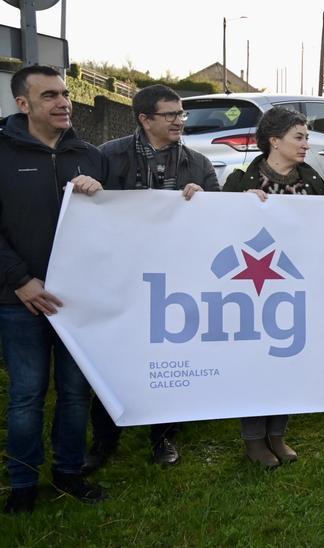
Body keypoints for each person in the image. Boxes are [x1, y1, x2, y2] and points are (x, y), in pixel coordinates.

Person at [86, 84, 220, 471]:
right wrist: (88, 188)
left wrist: (205, 200)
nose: (180, 121)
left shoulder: (198, 163)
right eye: (171, 115)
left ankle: (163, 438)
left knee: (167, 358)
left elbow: (218, 218)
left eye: (181, 114)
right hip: (121, 277)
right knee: (113, 357)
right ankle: (105, 439)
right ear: (144, 119)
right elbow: (86, 212)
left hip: (174, 280)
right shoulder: (108, 156)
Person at [0, 65, 109, 514]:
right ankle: (22, 483)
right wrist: (21, 280)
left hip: (76, 302)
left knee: (75, 393)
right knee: (26, 395)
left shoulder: (89, 154)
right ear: (22, 104)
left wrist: (100, 194)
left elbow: (117, 223)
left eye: (65, 93)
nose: (63, 102)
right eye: (49, 96)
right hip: (17, 301)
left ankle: (69, 472)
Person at [222, 106, 324, 467]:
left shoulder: (313, 181)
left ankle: (277, 435)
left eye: (307, 137)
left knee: (287, 361)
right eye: (299, 137)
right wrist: (240, 207)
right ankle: (253, 439)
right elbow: (222, 233)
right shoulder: (239, 182)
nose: (306, 145)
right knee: (255, 362)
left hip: (297, 287)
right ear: (274, 140)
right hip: (253, 291)